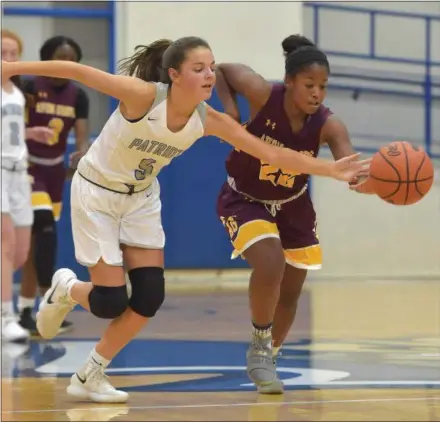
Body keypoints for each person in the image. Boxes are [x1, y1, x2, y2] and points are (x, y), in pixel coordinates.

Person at [2, 36, 369, 403]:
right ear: (175, 75)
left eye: (212, 68)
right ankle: (66, 288)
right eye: (199, 69)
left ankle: (90, 373)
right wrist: (11, 69)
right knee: (109, 302)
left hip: (141, 199)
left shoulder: (208, 119)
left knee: (149, 297)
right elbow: (76, 70)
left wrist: (329, 169)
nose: (210, 75)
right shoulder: (143, 96)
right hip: (96, 192)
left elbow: (270, 152)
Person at [215, 34, 375, 393]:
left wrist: (366, 182)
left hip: (294, 205)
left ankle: (269, 356)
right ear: (289, 82)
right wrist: (231, 110)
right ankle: (259, 344)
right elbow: (221, 69)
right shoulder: (260, 93)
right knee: (270, 262)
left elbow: (348, 163)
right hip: (245, 198)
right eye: (309, 84)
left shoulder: (329, 125)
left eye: (323, 86)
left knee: (290, 293)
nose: (317, 93)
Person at [17, 36, 90, 336]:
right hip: (28, 168)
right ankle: (51, 294)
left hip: (55, 172)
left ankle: (25, 310)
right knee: (44, 229)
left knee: (37, 242)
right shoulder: (30, 87)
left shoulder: (78, 95)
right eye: (62, 58)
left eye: (73, 59)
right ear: (48, 59)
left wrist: (82, 151)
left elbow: (82, 135)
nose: (68, 65)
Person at [1, 29, 54, 342]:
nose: (8, 59)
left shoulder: (16, 91)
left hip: (20, 173)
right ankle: (6, 317)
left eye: (13, 53)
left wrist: (31, 134)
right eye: (2, 53)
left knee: (20, 253)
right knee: (5, 245)